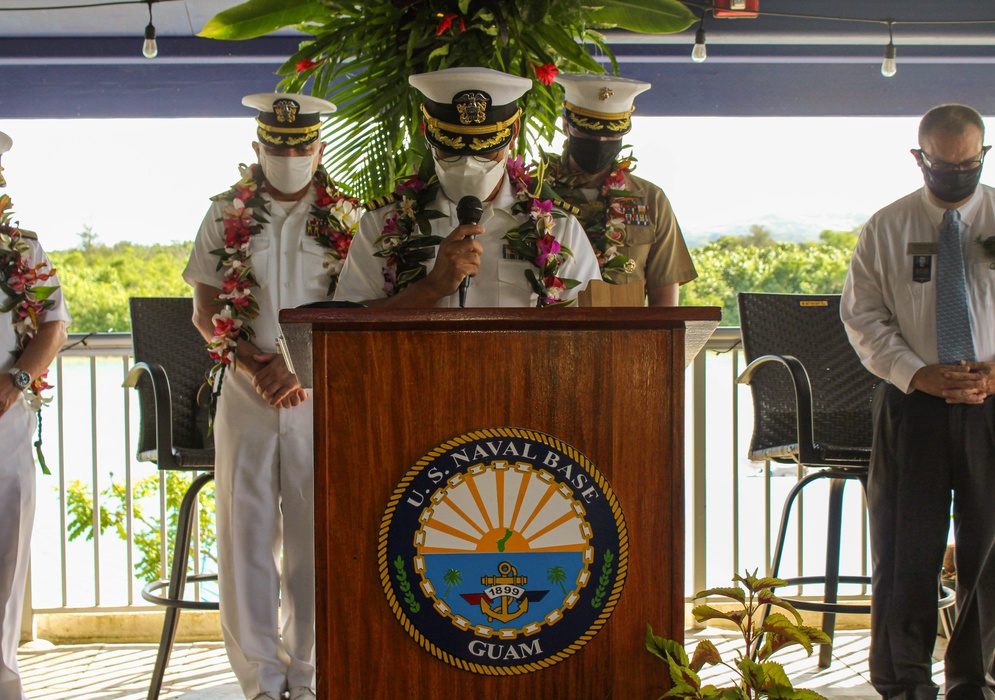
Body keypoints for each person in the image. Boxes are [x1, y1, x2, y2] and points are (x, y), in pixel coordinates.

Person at [183, 93, 359, 700]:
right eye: (277, 146)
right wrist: (246, 359)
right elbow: (205, 307)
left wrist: (301, 368)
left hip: (322, 391)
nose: (289, 156)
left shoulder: (349, 217)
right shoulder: (223, 212)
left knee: (317, 531)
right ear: (257, 149)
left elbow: (358, 308)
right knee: (246, 530)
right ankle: (260, 680)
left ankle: (309, 675)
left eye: (301, 145)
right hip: (246, 384)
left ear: (319, 148)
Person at [841, 104, 995, 700]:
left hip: (994, 404)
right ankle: (905, 683)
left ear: (983, 155)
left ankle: (974, 683)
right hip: (915, 405)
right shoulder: (887, 226)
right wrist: (918, 374)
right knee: (906, 547)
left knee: (991, 551)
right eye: (944, 163)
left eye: (970, 163)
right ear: (920, 158)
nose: (957, 173)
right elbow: (862, 317)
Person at [333, 66, 602, 308]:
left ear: (514, 132)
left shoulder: (557, 229)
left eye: (486, 150)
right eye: (451, 150)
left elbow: (592, 331)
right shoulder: (381, 223)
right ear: (427, 132)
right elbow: (343, 329)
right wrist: (431, 288)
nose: (468, 163)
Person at [0, 129, 70, 700]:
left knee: (4, 562)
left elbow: (53, 323)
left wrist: (16, 379)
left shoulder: (21, 247)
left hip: (4, 423)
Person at [543, 73, 697, 307]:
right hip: (550, 336)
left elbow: (665, 303)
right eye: (590, 131)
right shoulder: (535, 193)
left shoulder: (651, 199)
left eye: (612, 133)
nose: (601, 140)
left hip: (628, 339)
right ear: (566, 125)